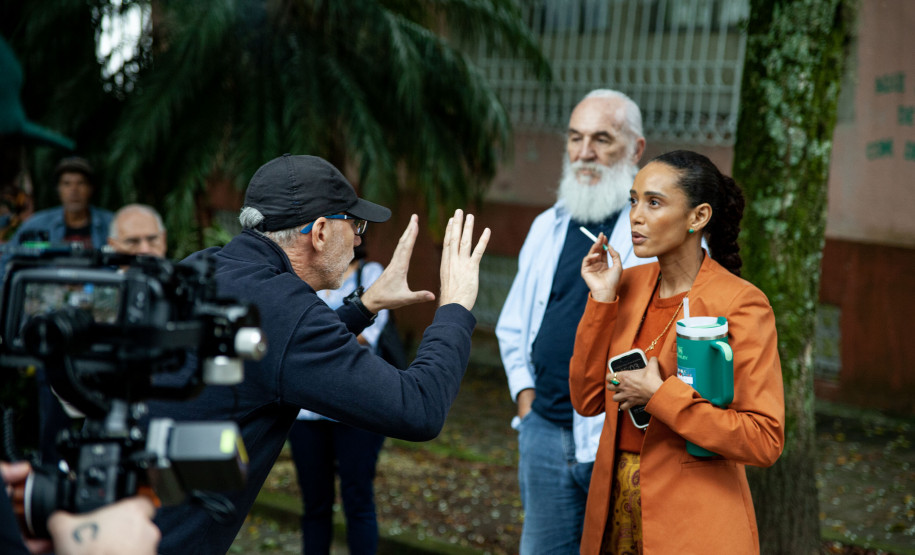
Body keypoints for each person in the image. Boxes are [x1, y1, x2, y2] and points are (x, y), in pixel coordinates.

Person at [146, 153, 490, 554]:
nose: (359, 239)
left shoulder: (202, 267)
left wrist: (363, 306)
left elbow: (273, 353)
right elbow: (419, 408)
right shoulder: (285, 309)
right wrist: (455, 309)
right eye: (355, 224)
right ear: (321, 231)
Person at [569, 150, 785, 553]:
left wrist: (660, 397)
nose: (635, 215)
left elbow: (764, 439)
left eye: (654, 202)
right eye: (633, 200)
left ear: (698, 217)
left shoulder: (741, 304)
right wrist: (601, 299)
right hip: (614, 510)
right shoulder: (626, 284)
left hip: (693, 524)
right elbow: (586, 400)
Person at [0, 35, 160, 555]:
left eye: (79, 183)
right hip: (55, 353)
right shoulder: (37, 228)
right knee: (52, 429)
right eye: (63, 182)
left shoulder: (111, 227)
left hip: (109, 354)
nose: (71, 190)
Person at [495, 89, 652, 553]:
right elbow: (512, 326)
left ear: (636, 149)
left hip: (619, 438)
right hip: (543, 429)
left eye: (602, 139)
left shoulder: (655, 234)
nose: (585, 153)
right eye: (575, 138)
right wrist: (526, 401)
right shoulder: (547, 224)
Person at [289, 241, 389, 554]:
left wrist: (312, 334)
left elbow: (363, 336)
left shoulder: (372, 274)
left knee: (358, 499)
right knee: (314, 503)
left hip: (355, 409)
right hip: (306, 411)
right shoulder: (301, 272)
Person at [4, 156, 113, 252]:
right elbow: (8, 257)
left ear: (90, 189)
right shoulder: (37, 224)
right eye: (66, 184)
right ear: (58, 189)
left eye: (81, 183)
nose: (74, 190)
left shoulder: (110, 224)